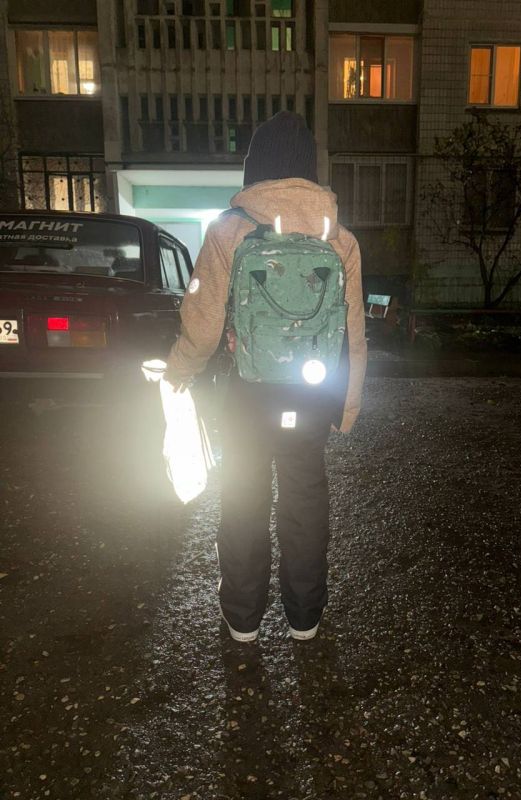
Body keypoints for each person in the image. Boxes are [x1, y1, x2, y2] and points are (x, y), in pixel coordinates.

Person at [165, 111, 367, 642]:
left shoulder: (228, 230)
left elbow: (203, 322)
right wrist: (347, 406)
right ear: (308, 171)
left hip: (246, 396)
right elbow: (353, 334)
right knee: (304, 501)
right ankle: (305, 617)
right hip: (312, 394)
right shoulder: (340, 239)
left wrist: (179, 370)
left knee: (244, 500)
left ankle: (243, 618)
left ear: (254, 170)